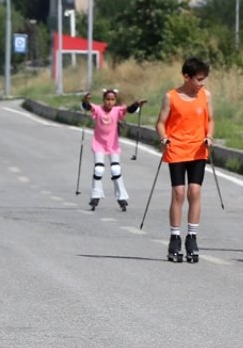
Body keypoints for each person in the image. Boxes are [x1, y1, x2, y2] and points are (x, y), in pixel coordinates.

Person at [155, 57, 213, 263]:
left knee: (194, 191)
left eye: (204, 79)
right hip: (177, 149)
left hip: (198, 150)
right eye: (199, 79)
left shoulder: (205, 95)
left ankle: (192, 237)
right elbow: (160, 123)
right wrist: (164, 138)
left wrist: (209, 136)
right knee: (179, 193)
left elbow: (211, 120)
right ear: (186, 77)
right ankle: (174, 238)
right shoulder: (171, 97)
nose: (202, 83)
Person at [80, 88, 147, 212]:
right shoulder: (98, 109)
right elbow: (87, 106)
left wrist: (137, 103)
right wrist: (85, 100)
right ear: (103, 100)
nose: (109, 102)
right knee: (98, 169)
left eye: (112, 100)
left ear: (115, 100)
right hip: (99, 144)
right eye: (107, 99)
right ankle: (95, 195)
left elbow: (130, 109)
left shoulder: (117, 110)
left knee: (115, 169)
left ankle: (122, 197)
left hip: (113, 145)